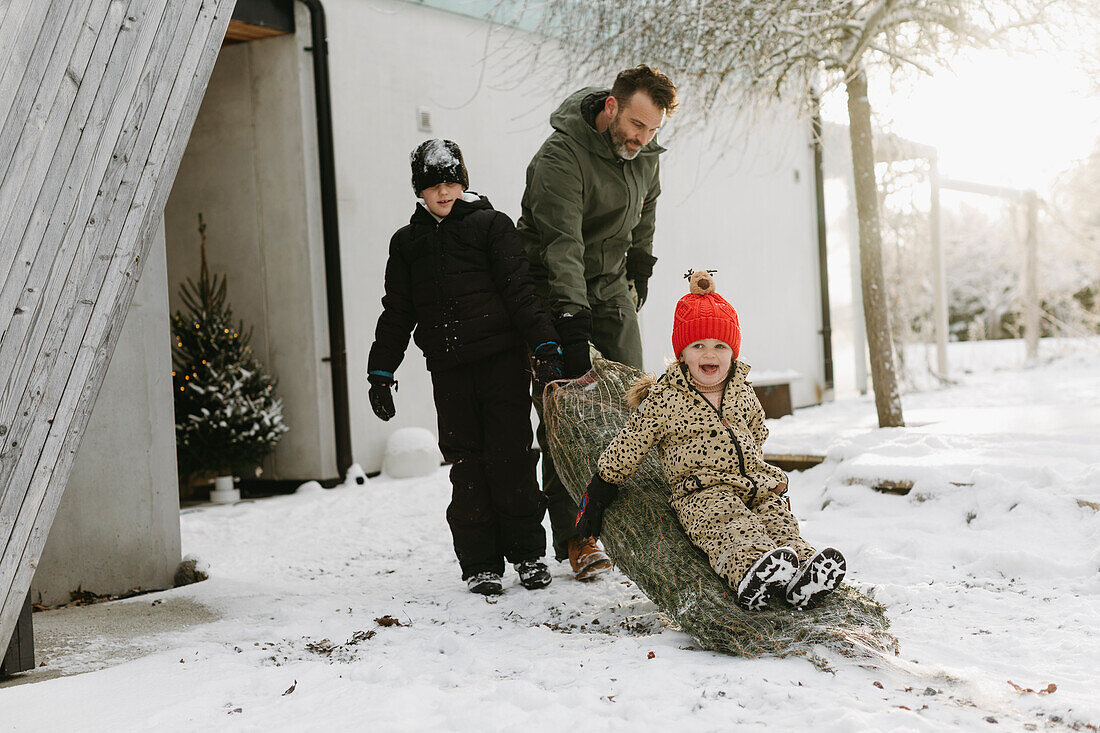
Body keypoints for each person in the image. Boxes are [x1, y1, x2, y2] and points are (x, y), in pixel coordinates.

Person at [574, 270, 846, 610]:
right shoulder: (666, 399)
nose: (710, 355)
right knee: (731, 525)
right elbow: (632, 442)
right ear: (682, 353)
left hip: (751, 484)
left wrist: (758, 473)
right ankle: (752, 570)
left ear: (732, 352)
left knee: (777, 518)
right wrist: (601, 487)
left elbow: (757, 431)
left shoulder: (743, 392)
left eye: (720, 346)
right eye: (698, 346)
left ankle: (803, 573)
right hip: (703, 490)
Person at [367, 139, 564, 596]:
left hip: (500, 364)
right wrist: (381, 371)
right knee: (467, 466)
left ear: (464, 182)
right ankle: (479, 562)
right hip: (450, 370)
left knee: (512, 457)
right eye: (434, 185)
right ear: (419, 190)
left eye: (452, 182)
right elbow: (397, 311)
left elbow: (520, 292)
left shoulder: (492, 227)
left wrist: (546, 346)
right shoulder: (408, 243)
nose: (444, 192)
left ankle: (529, 554)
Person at [516, 64, 678, 580]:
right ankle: (577, 535)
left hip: (611, 285)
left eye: (653, 129)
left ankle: (638, 524)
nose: (642, 138)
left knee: (637, 405)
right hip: (555, 288)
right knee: (568, 414)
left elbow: (646, 213)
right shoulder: (560, 157)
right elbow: (561, 245)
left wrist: (641, 268)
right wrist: (570, 320)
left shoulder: (645, 154)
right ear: (611, 106)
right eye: (636, 124)